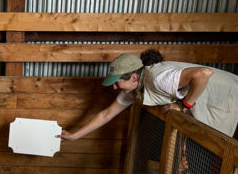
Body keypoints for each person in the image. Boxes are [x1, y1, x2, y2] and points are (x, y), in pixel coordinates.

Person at [58, 49, 238, 140]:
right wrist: (74, 136)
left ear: (134, 77)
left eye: (117, 82)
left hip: (229, 96)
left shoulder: (158, 78)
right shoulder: (134, 88)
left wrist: (184, 106)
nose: (114, 88)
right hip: (215, 102)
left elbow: (203, 74)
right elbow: (106, 114)